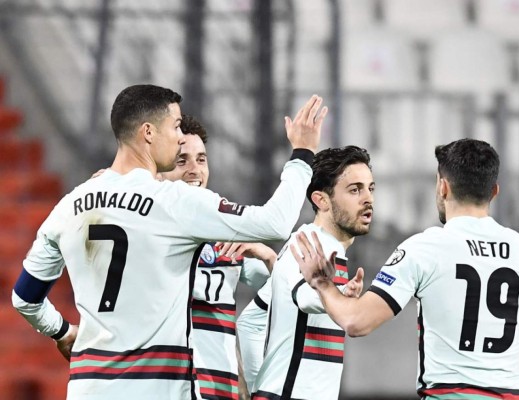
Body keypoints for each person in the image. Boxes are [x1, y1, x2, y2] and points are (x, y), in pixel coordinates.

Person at [11, 84, 327, 400]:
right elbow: (276, 222)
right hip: (156, 387)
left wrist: (62, 331)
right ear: (148, 132)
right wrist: (302, 154)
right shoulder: (173, 202)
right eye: (175, 127)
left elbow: (25, 298)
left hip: (88, 389)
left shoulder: (70, 205)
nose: (179, 138)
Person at [293, 138, 519, 400]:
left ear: (443, 186)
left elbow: (356, 321)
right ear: (494, 191)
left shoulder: (423, 249)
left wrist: (322, 283)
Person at [159, 114, 277, 400]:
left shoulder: (224, 232)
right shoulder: (145, 228)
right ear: (159, 168)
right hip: (166, 387)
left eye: (201, 159)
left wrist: (267, 255)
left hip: (220, 390)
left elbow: (284, 288)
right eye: (181, 160)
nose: (194, 170)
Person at [250, 145, 374, 400]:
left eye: (370, 188)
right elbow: (307, 298)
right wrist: (331, 291)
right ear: (321, 200)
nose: (367, 198)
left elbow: (251, 319)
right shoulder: (311, 245)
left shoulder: (318, 246)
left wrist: (252, 384)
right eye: (354, 190)